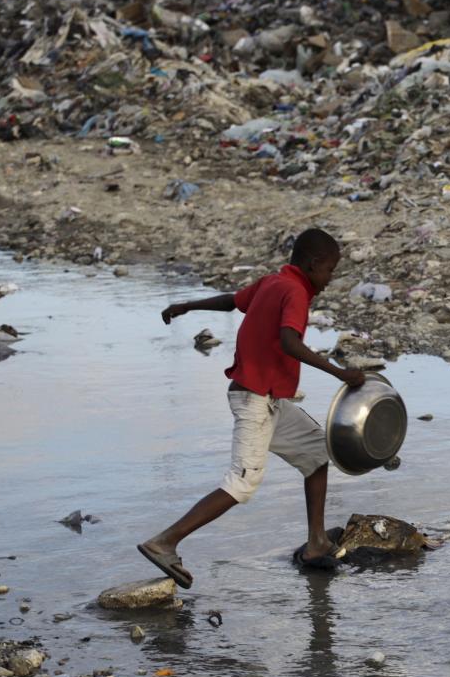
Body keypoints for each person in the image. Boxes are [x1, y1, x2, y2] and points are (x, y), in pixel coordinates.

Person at [137, 228, 364, 588]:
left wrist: (187, 305)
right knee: (242, 484)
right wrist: (339, 373)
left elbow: (232, 301)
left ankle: (317, 542)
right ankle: (164, 541)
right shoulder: (295, 292)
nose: (330, 279)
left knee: (317, 452)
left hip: (268, 398)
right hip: (254, 400)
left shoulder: (273, 282)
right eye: (330, 270)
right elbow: (290, 342)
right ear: (314, 263)